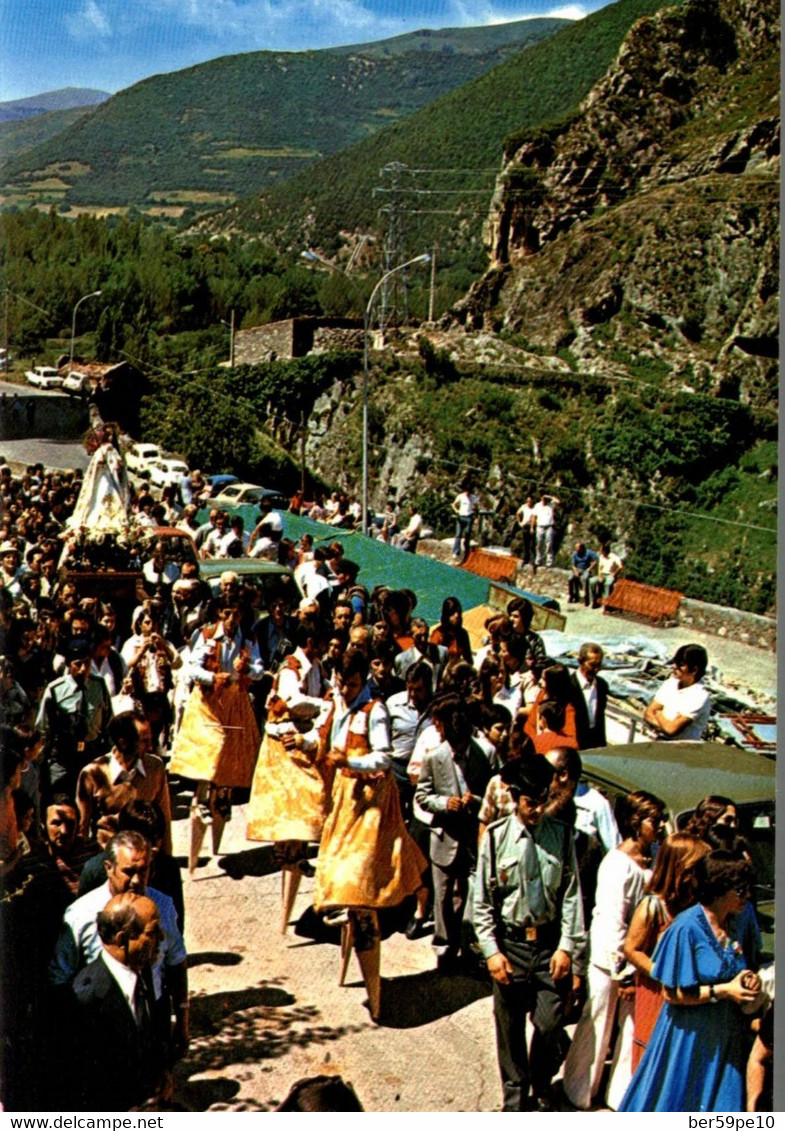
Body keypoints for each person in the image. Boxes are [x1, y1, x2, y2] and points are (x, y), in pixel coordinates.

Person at [313, 650, 426, 1020]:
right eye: (342, 682)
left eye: (353, 684)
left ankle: (375, 992)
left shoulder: (374, 711)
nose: (346, 689)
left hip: (371, 801)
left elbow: (384, 758)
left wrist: (350, 762)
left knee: (359, 885)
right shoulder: (336, 702)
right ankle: (351, 938)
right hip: (344, 798)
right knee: (338, 878)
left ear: (364, 681)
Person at [473, 755, 585, 1111]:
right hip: (511, 947)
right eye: (529, 802)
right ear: (516, 798)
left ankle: (538, 1079)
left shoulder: (563, 837)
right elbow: (481, 903)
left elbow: (571, 898)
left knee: (550, 1023)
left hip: (549, 949)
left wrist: (568, 947)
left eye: (542, 800)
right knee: (509, 1031)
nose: (536, 809)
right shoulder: (494, 839)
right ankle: (516, 1100)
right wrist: (491, 951)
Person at [619, 850, 761, 1112]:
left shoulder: (738, 922)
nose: (747, 896)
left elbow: (746, 965)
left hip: (725, 1037)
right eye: (741, 890)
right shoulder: (686, 928)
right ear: (720, 888)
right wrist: (724, 991)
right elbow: (671, 994)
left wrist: (748, 981)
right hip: (689, 1039)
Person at [562, 790, 667, 1110]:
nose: (661, 825)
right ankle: (579, 1090)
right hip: (611, 963)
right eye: (654, 820)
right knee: (599, 1024)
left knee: (633, 1029)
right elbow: (612, 923)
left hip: (640, 962)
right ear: (635, 823)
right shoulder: (616, 865)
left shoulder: (655, 856)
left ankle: (620, 1095)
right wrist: (621, 972)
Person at [246, 620, 333, 931]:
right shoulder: (290, 668)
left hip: (302, 742)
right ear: (311, 640)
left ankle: (295, 854)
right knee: (297, 808)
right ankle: (288, 855)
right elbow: (294, 701)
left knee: (312, 806)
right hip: (282, 745)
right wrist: (324, 705)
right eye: (322, 640)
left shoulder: (318, 667)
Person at [169, 599, 262, 842]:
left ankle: (221, 802)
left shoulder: (248, 639)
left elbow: (260, 670)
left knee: (231, 757)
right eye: (228, 613)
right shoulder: (207, 635)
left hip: (234, 701)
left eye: (237, 614)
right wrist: (213, 677)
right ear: (221, 613)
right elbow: (191, 669)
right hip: (209, 701)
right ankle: (199, 798)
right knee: (212, 747)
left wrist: (248, 669)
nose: (232, 619)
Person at [69, 893, 169, 1111]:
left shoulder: (142, 968)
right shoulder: (85, 998)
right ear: (123, 939)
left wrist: (161, 1073)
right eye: (152, 933)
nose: (161, 938)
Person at [415, 697, 493, 970]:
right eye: (455, 745)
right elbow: (422, 796)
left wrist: (477, 800)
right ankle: (444, 947)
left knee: (473, 897)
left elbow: (493, 796)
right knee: (444, 896)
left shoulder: (485, 754)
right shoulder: (434, 757)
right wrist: (443, 803)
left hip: (473, 837)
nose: (459, 750)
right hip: (444, 837)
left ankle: (469, 948)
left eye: (463, 745)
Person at [623, 833, 710, 1070]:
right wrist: (660, 972)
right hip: (657, 992)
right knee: (653, 1057)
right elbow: (632, 949)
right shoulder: (653, 906)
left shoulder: (696, 905)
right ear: (680, 868)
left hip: (687, 993)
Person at [76, 710, 173, 853]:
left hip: (145, 858)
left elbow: (164, 819)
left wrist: (167, 861)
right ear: (123, 743)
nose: (150, 747)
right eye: (144, 741)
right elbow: (81, 829)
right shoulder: (92, 774)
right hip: (109, 858)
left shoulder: (155, 767)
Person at [36, 637, 112, 801]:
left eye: (87, 663)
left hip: (90, 754)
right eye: (78, 664)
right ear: (69, 665)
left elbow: (108, 721)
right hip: (63, 757)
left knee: (89, 803)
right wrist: (40, 764)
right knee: (61, 800)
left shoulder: (98, 686)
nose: (84, 669)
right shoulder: (55, 690)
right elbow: (43, 729)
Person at [643, 643, 712, 740]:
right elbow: (648, 713)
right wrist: (665, 724)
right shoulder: (671, 683)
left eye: (680, 665)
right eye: (675, 662)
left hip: (681, 750)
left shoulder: (699, 696)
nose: (674, 667)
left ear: (694, 670)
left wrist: (659, 714)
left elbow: (670, 730)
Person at [524, 663, 579, 754]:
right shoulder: (542, 695)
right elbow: (529, 725)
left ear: (553, 684)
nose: (540, 681)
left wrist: (545, 741)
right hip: (535, 744)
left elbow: (570, 737)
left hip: (554, 750)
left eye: (544, 679)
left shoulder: (568, 708)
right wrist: (535, 741)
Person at [570, 642, 608, 749]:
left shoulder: (602, 686)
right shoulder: (569, 685)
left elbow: (600, 718)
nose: (596, 669)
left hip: (594, 743)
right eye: (592, 665)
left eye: (599, 665)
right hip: (575, 742)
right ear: (580, 661)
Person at [451, 481, 479, 562]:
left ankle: (466, 549)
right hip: (461, 517)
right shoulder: (461, 496)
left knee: (467, 534)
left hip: (469, 517)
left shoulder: (473, 498)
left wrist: (475, 515)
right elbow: (454, 504)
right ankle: (456, 551)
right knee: (458, 535)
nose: (468, 494)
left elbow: (476, 508)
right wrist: (456, 511)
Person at [591, 542, 623, 607]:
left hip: (610, 575)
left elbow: (620, 566)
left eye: (601, 550)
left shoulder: (614, 557)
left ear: (605, 551)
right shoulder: (601, 557)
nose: (600, 552)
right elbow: (600, 568)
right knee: (592, 581)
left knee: (607, 584)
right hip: (602, 574)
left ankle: (607, 603)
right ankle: (595, 599)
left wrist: (615, 573)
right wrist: (600, 576)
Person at [533, 493, 559, 568]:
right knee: (539, 544)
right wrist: (532, 527)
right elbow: (534, 516)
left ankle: (549, 562)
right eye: (543, 498)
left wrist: (550, 496)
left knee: (549, 544)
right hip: (540, 526)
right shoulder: (537, 505)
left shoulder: (551, 505)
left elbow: (558, 501)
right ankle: (538, 560)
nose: (544, 500)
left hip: (549, 526)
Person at [515, 495, 537, 571]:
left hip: (531, 526)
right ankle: (525, 559)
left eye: (530, 501)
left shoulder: (534, 508)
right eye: (528, 501)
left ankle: (532, 560)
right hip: (524, 526)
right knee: (525, 544)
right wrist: (519, 522)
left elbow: (534, 518)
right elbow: (517, 513)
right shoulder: (524, 507)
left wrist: (532, 527)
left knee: (532, 544)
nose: (529, 503)